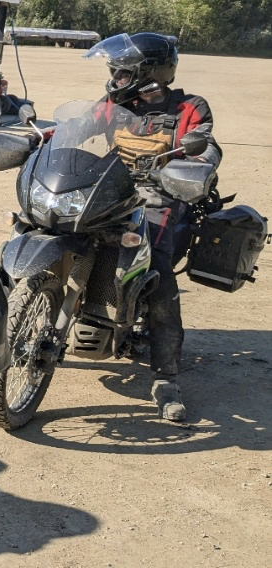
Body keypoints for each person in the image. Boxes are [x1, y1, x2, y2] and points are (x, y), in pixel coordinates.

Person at [85, 31, 221, 422]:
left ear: (150, 73)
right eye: (115, 71)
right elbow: (76, 127)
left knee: (157, 273)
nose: (115, 77)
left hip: (161, 196)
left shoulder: (188, 107)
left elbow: (206, 144)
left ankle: (166, 378)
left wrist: (199, 164)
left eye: (123, 72)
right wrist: (42, 139)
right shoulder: (114, 104)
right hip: (110, 189)